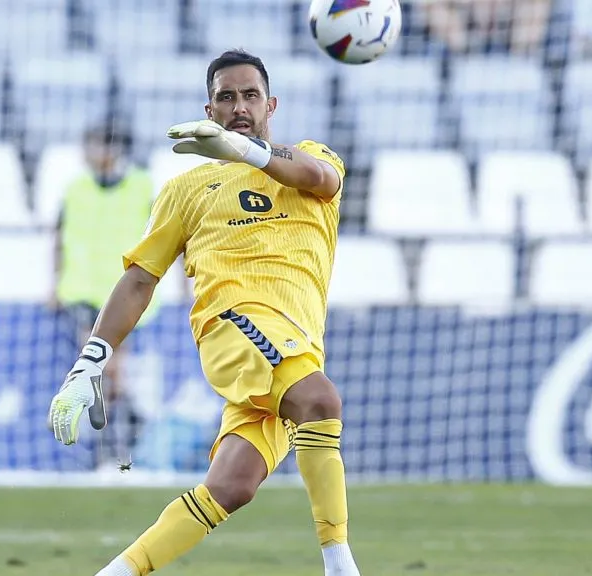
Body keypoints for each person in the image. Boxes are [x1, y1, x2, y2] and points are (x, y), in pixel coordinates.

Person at [47, 49, 360, 576]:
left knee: (232, 486)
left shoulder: (309, 158)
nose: (240, 106)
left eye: (250, 95)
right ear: (209, 111)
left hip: (295, 349)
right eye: (226, 98)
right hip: (235, 328)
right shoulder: (185, 190)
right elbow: (139, 279)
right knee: (321, 400)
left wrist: (248, 151)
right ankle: (340, 565)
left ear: (272, 104)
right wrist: (90, 362)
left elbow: (321, 179)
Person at [52, 118, 156, 466]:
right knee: (97, 368)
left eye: (96, 145)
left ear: (115, 149)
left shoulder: (142, 187)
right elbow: (58, 236)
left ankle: (119, 438)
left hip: (123, 292)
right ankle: (111, 447)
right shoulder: (75, 188)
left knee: (110, 375)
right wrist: (52, 284)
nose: (90, 153)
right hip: (82, 291)